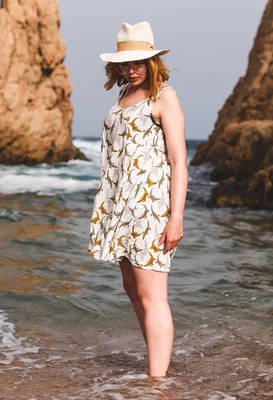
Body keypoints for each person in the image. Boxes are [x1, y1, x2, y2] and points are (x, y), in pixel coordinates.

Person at [88, 21, 188, 378]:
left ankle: (156, 384)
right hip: (120, 207)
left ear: (152, 62)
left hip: (150, 210)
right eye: (125, 64)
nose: (132, 70)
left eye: (139, 62)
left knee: (152, 295)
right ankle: (155, 366)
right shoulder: (122, 97)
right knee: (133, 290)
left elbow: (178, 161)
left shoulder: (165, 96)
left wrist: (175, 218)